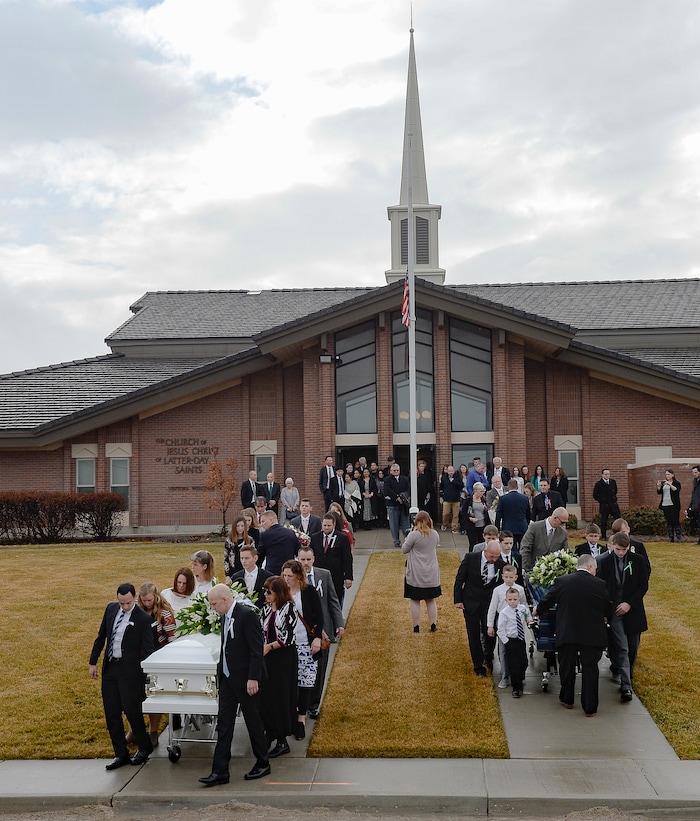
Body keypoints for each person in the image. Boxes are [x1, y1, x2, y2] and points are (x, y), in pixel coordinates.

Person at [199, 584, 270, 785]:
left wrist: (253, 677)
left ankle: (263, 762)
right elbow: (226, 648)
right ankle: (220, 770)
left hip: (246, 680)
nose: (213, 608)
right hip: (228, 679)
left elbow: (256, 649)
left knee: (253, 722)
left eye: (214, 604)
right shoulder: (224, 617)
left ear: (225, 599)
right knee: (224, 724)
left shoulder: (246, 616)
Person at [534, 554, 612, 717]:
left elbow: (547, 600)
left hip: (567, 631)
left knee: (566, 666)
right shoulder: (599, 584)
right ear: (590, 567)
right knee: (590, 668)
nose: (596, 572)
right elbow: (607, 606)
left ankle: (567, 699)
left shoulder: (562, 581)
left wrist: (537, 610)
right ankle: (589, 707)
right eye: (595, 569)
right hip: (591, 634)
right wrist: (607, 617)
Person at [89, 582, 156, 770]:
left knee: (131, 710)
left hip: (130, 672)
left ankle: (144, 747)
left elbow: (148, 648)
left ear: (134, 598)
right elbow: (101, 636)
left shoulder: (142, 619)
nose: (124, 607)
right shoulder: (111, 609)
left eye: (127, 603)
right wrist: (93, 662)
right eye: (121, 603)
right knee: (111, 712)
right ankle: (120, 753)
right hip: (111, 668)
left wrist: (143, 672)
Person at [596, 532, 649, 702]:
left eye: (624, 550)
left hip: (632, 609)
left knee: (633, 647)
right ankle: (626, 685)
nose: (621, 553)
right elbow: (601, 588)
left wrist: (629, 603)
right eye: (618, 549)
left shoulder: (638, 560)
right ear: (612, 546)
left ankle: (628, 674)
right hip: (614, 611)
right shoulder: (603, 562)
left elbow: (643, 585)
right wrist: (605, 612)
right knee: (622, 647)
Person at [297, 546, 345, 719]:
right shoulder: (292, 579)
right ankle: (299, 702)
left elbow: (333, 601)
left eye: (308, 559)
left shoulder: (324, 575)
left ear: (314, 559)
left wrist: (339, 623)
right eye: (302, 560)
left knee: (320, 669)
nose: (305, 563)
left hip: (323, 631)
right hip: (302, 631)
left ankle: (314, 704)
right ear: (297, 560)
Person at [281, 560, 323, 741]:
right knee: (288, 681)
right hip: (286, 645)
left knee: (305, 681)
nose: (287, 579)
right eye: (284, 576)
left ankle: (301, 719)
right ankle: (289, 714)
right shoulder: (281, 592)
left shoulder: (309, 592)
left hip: (305, 642)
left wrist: (317, 639)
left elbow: (319, 616)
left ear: (299, 576)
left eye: (290, 576)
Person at [259, 575, 298, 759]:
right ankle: (270, 732)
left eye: (269, 592)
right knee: (267, 697)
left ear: (278, 593)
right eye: (265, 591)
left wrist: (270, 646)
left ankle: (282, 739)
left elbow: (288, 637)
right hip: (268, 659)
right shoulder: (265, 610)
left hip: (283, 659)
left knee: (281, 697)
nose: (265, 595)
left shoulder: (289, 609)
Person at [453, 541, 505, 677]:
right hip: (471, 602)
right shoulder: (471, 558)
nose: (494, 559)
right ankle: (478, 665)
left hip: (489, 603)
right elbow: (460, 579)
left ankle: (488, 656)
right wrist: (458, 600)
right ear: (485, 551)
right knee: (474, 634)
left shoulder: (500, 564)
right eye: (491, 556)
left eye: (497, 556)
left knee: (489, 632)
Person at [136, 582, 175, 746]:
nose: (147, 604)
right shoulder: (138, 612)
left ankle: (153, 731)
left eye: (149, 600)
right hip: (139, 658)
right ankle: (134, 730)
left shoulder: (164, 614)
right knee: (136, 696)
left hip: (158, 658)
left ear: (156, 597)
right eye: (144, 601)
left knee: (154, 695)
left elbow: (172, 639)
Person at [486, 563, 527, 689]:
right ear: (502, 576)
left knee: (520, 650)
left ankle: (519, 673)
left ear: (515, 577)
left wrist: (526, 619)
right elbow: (492, 608)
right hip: (503, 622)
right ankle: (505, 676)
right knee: (503, 651)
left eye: (511, 577)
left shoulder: (520, 589)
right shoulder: (497, 590)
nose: (509, 580)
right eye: (506, 577)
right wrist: (490, 625)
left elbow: (524, 605)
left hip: (517, 623)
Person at [402, 511, 441, 633]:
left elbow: (404, 549)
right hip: (431, 572)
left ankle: (416, 626)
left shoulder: (414, 535)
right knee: (431, 600)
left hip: (416, 573)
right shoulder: (434, 534)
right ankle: (433, 624)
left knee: (415, 600)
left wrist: (410, 534)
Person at [497, 587, 533, 699]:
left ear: (519, 599)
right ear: (506, 600)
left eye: (515, 599)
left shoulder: (523, 609)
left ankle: (520, 679)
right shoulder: (504, 613)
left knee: (523, 662)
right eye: (510, 599)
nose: (513, 601)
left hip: (520, 639)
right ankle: (516, 688)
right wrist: (506, 642)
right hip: (510, 640)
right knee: (513, 665)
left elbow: (528, 618)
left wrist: (530, 622)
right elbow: (500, 630)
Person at [310, 513, 354, 605]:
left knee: (336, 600)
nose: (326, 528)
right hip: (319, 574)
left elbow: (347, 558)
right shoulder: (315, 537)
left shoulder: (342, 538)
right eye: (324, 525)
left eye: (329, 526)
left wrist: (348, 577)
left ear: (334, 525)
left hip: (336, 575)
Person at [519, 507, 569, 573]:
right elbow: (525, 548)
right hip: (532, 569)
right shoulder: (534, 527)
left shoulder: (563, 533)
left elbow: (566, 553)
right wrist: (522, 567)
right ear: (555, 518)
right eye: (562, 522)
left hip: (553, 572)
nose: (563, 525)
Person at [257, 511, 299, 575]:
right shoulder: (290, 533)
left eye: (263, 521)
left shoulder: (265, 535)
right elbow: (298, 551)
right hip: (289, 571)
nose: (261, 524)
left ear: (271, 520)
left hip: (272, 572)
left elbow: (260, 556)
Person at [495, 479, 531, 547]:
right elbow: (528, 514)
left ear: (508, 487)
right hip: (522, 526)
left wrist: (497, 529)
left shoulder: (503, 499)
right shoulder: (525, 498)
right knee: (523, 547)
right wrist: (526, 523)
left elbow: (498, 515)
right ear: (517, 487)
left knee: (510, 548)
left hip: (508, 527)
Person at [384, 462, 411, 548]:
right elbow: (388, 490)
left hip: (403, 505)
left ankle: (407, 540)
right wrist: (397, 497)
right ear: (391, 471)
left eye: (397, 470)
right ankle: (396, 541)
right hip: (392, 504)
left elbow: (409, 488)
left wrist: (405, 497)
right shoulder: (387, 480)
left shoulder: (405, 479)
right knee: (394, 524)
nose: (396, 471)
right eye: (394, 470)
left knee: (406, 524)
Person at [593, 468, 621, 539]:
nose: (607, 475)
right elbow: (595, 495)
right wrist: (602, 500)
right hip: (604, 506)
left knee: (618, 519)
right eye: (605, 474)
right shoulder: (599, 484)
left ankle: (619, 535)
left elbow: (615, 491)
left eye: (608, 474)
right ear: (602, 475)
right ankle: (604, 536)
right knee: (604, 521)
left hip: (613, 505)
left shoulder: (613, 482)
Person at [223, 515, 252, 583]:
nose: (240, 528)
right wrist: (227, 575)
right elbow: (226, 558)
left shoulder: (250, 540)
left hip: (246, 569)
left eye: (242, 526)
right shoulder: (229, 541)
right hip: (234, 570)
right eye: (238, 526)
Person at [657, 468, 682, 542]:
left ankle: (679, 538)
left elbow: (676, 490)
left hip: (673, 505)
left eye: (668, 474)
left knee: (675, 521)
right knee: (669, 522)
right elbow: (659, 492)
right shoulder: (664, 483)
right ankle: (671, 538)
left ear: (672, 475)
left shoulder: (676, 483)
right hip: (665, 504)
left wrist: (669, 484)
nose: (667, 476)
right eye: (666, 474)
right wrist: (658, 486)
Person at [463, 482, 488, 549]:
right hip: (472, 525)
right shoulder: (468, 500)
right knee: (472, 543)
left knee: (482, 542)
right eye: (481, 491)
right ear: (475, 491)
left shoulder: (483, 500)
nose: (482, 493)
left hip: (482, 524)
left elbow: (485, 511)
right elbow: (463, 512)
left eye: (483, 491)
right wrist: (470, 518)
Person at [440, 466, 464, 533]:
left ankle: (454, 527)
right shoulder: (444, 477)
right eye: (449, 471)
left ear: (454, 471)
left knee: (455, 515)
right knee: (445, 513)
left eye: (452, 471)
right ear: (447, 471)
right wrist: (441, 496)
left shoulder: (458, 477)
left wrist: (453, 481)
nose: (451, 472)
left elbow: (461, 485)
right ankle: (444, 524)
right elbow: (441, 487)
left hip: (456, 499)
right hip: (447, 498)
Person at [687, 465, 700, 544]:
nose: (694, 474)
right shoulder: (695, 481)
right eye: (693, 472)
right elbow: (694, 495)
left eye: (696, 472)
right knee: (698, 523)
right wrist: (690, 507)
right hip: (696, 507)